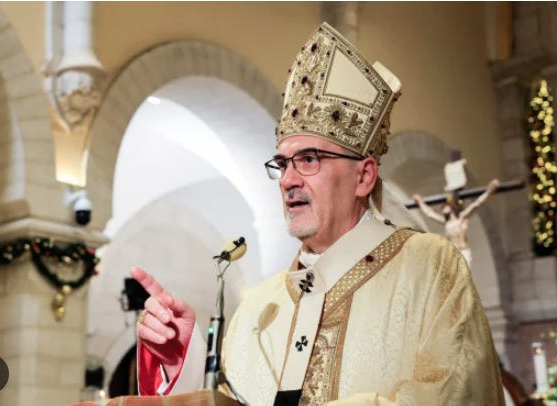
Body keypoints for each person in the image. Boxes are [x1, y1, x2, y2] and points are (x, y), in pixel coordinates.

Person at [132, 22, 505, 405]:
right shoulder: (259, 308)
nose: (287, 179)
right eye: (282, 163)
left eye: (309, 159)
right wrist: (184, 363)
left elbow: (458, 395)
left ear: (364, 177)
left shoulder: (430, 268)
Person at [413, 174, 500, 265]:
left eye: (445, 206)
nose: (443, 208)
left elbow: (476, 204)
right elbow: (430, 214)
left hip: (463, 252)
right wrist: (420, 202)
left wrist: (489, 191)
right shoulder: (446, 222)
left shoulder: (462, 218)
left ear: (452, 206)